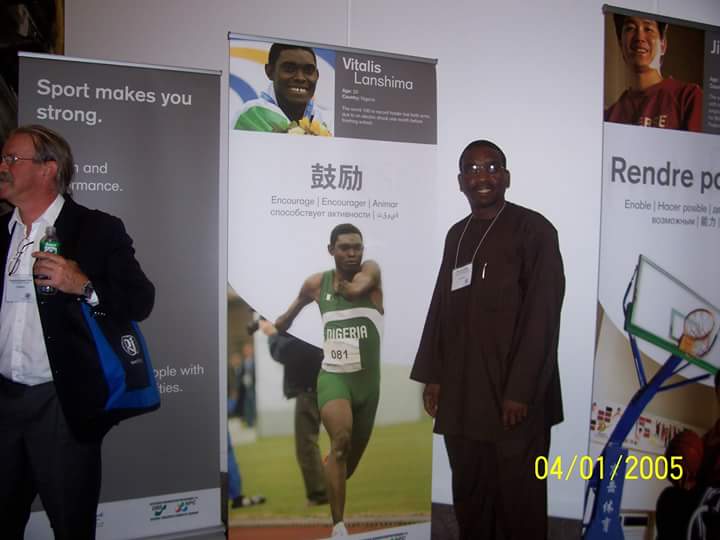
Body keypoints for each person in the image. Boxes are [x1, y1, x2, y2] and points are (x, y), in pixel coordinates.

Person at [0, 124, 155, 539]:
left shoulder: (96, 229)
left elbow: (140, 301)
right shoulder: (2, 231)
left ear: (49, 168)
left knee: (71, 527)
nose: (2, 166)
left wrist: (83, 285)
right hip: (4, 401)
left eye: (12, 159)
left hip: (63, 405)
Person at [411, 140, 565, 540]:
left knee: (519, 501)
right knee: (470, 494)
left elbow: (543, 316)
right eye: (473, 169)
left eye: (492, 167)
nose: (483, 176)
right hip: (463, 397)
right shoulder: (457, 235)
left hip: (513, 400)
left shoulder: (535, 231)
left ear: (506, 177)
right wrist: (434, 376)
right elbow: (441, 308)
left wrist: (520, 391)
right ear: (460, 181)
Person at [275, 223, 383, 537]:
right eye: (344, 247)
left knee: (348, 463)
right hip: (333, 377)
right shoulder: (315, 284)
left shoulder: (371, 272)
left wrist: (347, 288)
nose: (352, 253)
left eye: (357, 247)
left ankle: (333, 466)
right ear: (331, 250)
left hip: (367, 385)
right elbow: (288, 316)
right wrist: (280, 322)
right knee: (341, 442)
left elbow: (358, 286)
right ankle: (338, 526)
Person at [260, 319, 328, 506]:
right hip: (315, 387)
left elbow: (284, 352)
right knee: (309, 444)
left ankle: (319, 493)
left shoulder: (303, 331)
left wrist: (273, 334)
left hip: (309, 390)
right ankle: (322, 490)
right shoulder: (309, 326)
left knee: (306, 445)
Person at [605, 14, 703, 131]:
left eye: (648, 29)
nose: (639, 37)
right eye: (630, 28)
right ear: (621, 44)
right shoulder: (609, 116)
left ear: (663, 45)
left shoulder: (689, 97)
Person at [656, 370, 720, 539]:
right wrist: (679, 471)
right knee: (669, 498)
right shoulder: (704, 440)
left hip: (709, 509)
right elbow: (684, 478)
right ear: (717, 392)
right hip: (700, 508)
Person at [234, 42, 331, 135]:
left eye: (308, 70)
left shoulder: (327, 121)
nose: (300, 78)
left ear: (317, 75)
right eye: (289, 69)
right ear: (270, 71)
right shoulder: (251, 115)